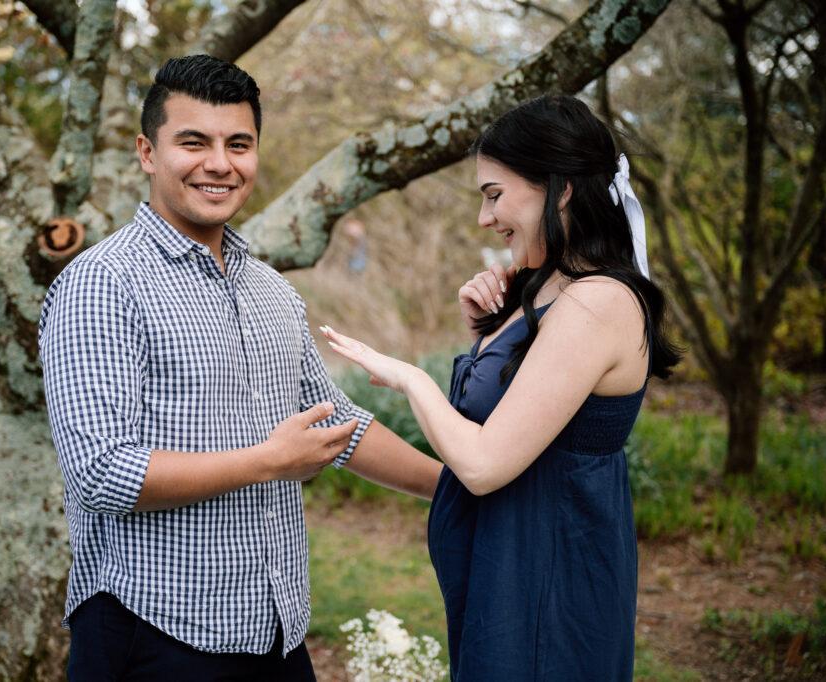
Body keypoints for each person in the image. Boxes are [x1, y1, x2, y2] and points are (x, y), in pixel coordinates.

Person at [38, 54, 442, 681]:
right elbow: (101, 473)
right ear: (148, 153)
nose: (220, 164)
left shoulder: (270, 290)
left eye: (239, 144)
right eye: (193, 142)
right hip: (153, 632)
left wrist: (458, 490)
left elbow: (338, 427)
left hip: (275, 629)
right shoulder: (101, 284)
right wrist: (269, 462)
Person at [322, 93, 681, 680]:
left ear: (559, 188)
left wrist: (411, 378)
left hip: (546, 583)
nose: (485, 219)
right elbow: (508, 414)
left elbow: (485, 463)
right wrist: (485, 331)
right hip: (502, 568)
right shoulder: (546, 287)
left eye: (494, 195)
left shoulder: (599, 301)